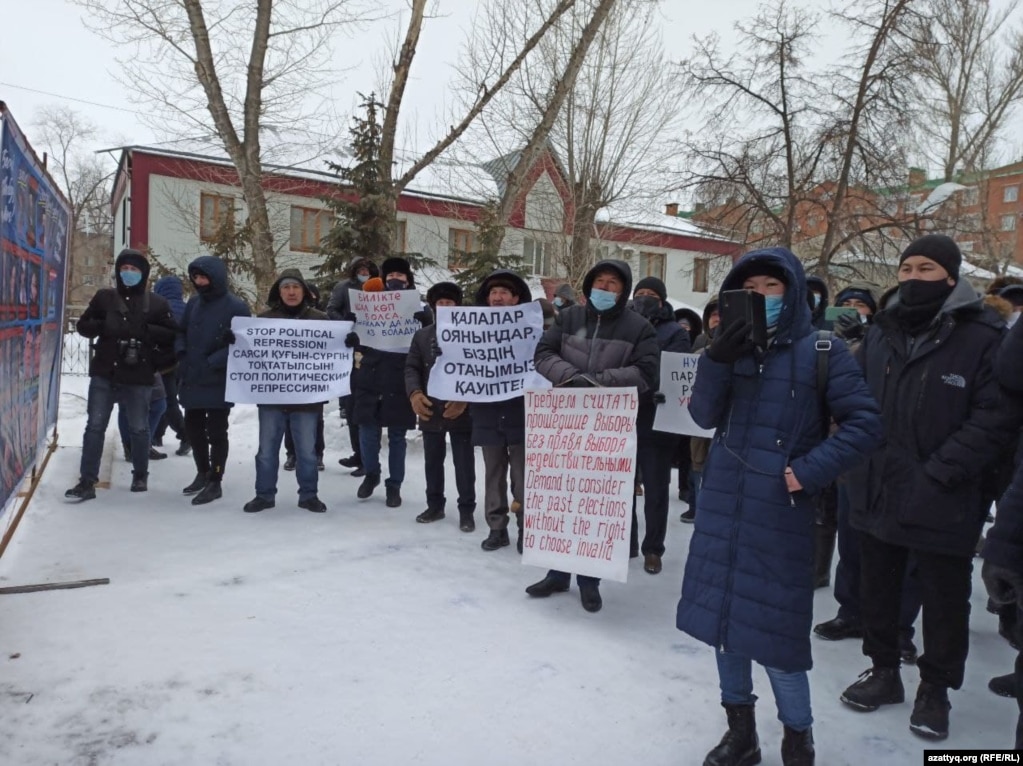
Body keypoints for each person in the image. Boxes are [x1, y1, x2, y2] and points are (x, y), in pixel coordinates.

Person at [676, 247, 882, 766]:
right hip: (721, 507)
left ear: (792, 292)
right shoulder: (724, 348)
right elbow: (702, 417)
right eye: (751, 288)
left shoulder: (823, 349)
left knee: (778, 640)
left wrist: (806, 471)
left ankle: (798, 738)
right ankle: (740, 734)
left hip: (780, 516)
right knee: (725, 629)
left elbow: (864, 425)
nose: (762, 296)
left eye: (772, 286)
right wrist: (717, 360)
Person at [838, 234, 1018, 742]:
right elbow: (856, 400)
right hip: (876, 484)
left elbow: (995, 418)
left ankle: (935, 690)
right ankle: (884, 671)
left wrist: (940, 472)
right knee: (879, 588)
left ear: (951, 277)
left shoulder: (983, 335)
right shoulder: (881, 331)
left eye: (927, 269)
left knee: (943, 599)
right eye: (907, 268)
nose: (914, 277)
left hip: (947, 494)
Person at [526, 259, 659, 612]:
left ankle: (589, 580)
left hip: (607, 428)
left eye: (613, 283)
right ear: (588, 286)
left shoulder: (639, 327)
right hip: (564, 425)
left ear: (623, 289)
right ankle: (557, 572)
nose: (605, 289)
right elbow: (542, 354)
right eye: (599, 282)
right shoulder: (569, 318)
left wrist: (599, 382)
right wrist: (571, 376)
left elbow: (646, 372)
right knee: (561, 497)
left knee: (595, 503)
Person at [65, 249, 178, 499]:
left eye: (134, 270)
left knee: (139, 427)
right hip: (105, 370)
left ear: (144, 274)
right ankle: (87, 480)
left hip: (139, 374)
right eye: (124, 269)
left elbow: (172, 336)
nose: (128, 274)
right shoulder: (105, 298)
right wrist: (104, 325)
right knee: (95, 426)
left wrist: (147, 336)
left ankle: (140, 474)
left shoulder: (157, 303)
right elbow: (83, 326)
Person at [242, 270, 330, 514]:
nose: (291, 292)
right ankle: (264, 495)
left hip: (307, 399)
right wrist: (236, 341)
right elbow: (251, 354)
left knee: (307, 452)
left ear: (304, 291)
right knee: (267, 451)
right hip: (271, 399)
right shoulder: (264, 320)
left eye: (296, 287)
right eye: (286, 287)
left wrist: (345, 343)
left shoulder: (321, 321)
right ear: (278, 292)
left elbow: (330, 354)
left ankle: (309, 495)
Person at [177, 256, 251, 505]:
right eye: (195, 277)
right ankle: (202, 471)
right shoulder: (194, 303)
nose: (199, 282)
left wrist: (214, 361)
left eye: (203, 277)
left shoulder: (236, 307)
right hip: (192, 377)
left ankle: (215, 480)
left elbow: (243, 343)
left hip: (218, 379)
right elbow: (182, 331)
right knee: (194, 429)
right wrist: (182, 354)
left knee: (217, 432)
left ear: (215, 278)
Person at [468, 270, 534, 553]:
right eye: (493, 292)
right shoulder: (471, 329)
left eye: (504, 292)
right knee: (493, 474)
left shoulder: (532, 327)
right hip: (487, 412)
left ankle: (525, 527)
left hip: (521, 411)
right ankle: (497, 528)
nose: (498, 297)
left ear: (516, 298)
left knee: (523, 476)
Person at [630, 276, 691, 575]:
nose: (644, 298)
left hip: (658, 422)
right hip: (622, 420)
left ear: (662, 301)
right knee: (621, 487)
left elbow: (671, 370)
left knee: (655, 490)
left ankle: (653, 549)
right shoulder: (622, 325)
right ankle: (626, 541)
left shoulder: (674, 333)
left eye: (650, 294)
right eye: (639, 293)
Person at [348, 257, 420, 508]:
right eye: (391, 276)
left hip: (400, 378)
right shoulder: (368, 305)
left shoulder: (418, 307)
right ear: (384, 279)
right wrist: (351, 333)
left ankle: (394, 485)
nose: (395, 280)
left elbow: (426, 341)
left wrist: (425, 321)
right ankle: (372, 473)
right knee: (367, 431)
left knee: (397, 436)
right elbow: (358, 336)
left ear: (408, 280)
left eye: (401, 276)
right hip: (371, 375)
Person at [404, 281, 476, 530]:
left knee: (464, 463)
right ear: (433, 307)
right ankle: (434, 505)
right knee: (432, 461)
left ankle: (467, 510)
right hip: (430, 407)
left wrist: (465, 398)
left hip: (461, 409)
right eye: (440, 304)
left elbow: (478, 369)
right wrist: (414, 393)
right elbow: (412, 366)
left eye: (450, 303)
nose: (445, 307)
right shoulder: (422, 335)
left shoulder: (472, 333)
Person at [328, 258, 379, 474]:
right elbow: (331, 310)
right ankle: (358, 454)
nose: (364, 273)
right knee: (351, 408)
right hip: (350, 350)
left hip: (374, 350)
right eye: (360, 270)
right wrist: (346, 323)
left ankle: (368, 459)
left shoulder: (380, 288)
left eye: (367, 270)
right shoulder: (343, 288)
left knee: (367, 409)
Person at [152, 274, 190, 455]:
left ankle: (185, 434)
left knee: (166, 400)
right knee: (168, 397)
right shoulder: (187, 308)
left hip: (164, 361)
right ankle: (157, 434)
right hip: (182, 361)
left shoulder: (160, 307)